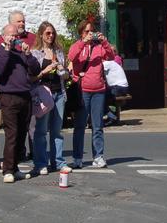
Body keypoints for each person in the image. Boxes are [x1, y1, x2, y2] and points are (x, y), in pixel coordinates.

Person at [0, 23, 40, 183]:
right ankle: (8, 170)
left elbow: (35, 70)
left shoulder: (20, 53)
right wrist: (6, 50)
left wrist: (28, 55)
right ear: (3, 36)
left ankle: (15, 167)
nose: (13, 38)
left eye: (15, 35)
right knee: (12, 133)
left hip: (25, 95)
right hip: (8, 96)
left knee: (21, 133)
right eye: (10, 35)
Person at [69, 20, 119, 170]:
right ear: (81, 33)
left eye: (92, 31)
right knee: (80, 126)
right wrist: (83, 43)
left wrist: (104, 42)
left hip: (98, 90)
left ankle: (98, 156)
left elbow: (110, 56)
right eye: (86, 32)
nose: (90, 34)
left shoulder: (99, 47)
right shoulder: (78, 45)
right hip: (83, 90)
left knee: (98, 126)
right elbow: (71, 56)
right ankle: (77, 157)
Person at [31, 22, 69, 174]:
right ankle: (41, 163)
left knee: (57, 130)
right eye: (47, 33)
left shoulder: (59, 52)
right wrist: (45, 70)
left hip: (58, 92)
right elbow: (33, 77)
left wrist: (61, 69)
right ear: (41, 35)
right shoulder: (35, 53)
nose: (51, 36)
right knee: (41, 130)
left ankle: (58, 162)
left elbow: (66, 76)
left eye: (52, 33)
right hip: (43, 94)